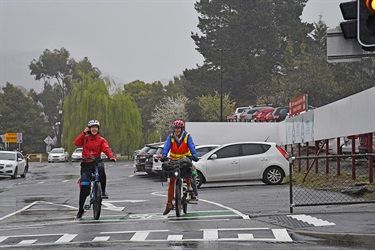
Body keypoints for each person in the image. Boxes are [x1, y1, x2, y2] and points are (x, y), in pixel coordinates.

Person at [73, 119, 116, 218]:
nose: (94, 129)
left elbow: (106, 149)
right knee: (84, 188)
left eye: (96, 127)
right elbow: (76, 143)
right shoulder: (85, 138)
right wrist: (83, 133)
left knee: (101, 169)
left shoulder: (101, 140)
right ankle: (80, 209)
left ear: (98, 129)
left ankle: (103, 191)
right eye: (92, 127)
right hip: (86, 163)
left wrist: (111, 156)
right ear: (89, 128)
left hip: (96, 162)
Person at [160, 119, 199, 215]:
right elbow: (166, 146)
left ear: (182, 128)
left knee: (188, 173)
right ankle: (169, 204)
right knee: (172, 181)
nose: (177, 130)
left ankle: (189, 187)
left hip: (185, 160)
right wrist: (164, 155)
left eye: (178, 128)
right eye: (175, 128)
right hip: (173, 161)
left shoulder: (187, 136)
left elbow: (191, 146)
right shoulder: (171, 137)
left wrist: (194, 155)